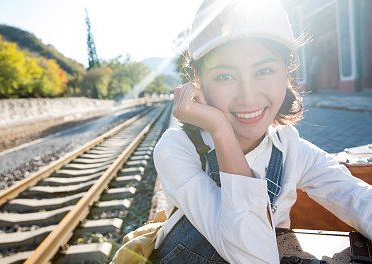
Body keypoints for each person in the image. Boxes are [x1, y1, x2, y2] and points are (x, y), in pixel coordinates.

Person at [151, 0, 372, 263]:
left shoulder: (291, 149)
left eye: (264, 70)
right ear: (199, 81)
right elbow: (253, 255)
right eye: (225, 76)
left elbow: (356, 198)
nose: (248, 96)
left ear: (287, 74)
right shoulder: (177, 150)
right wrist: (221, 131)